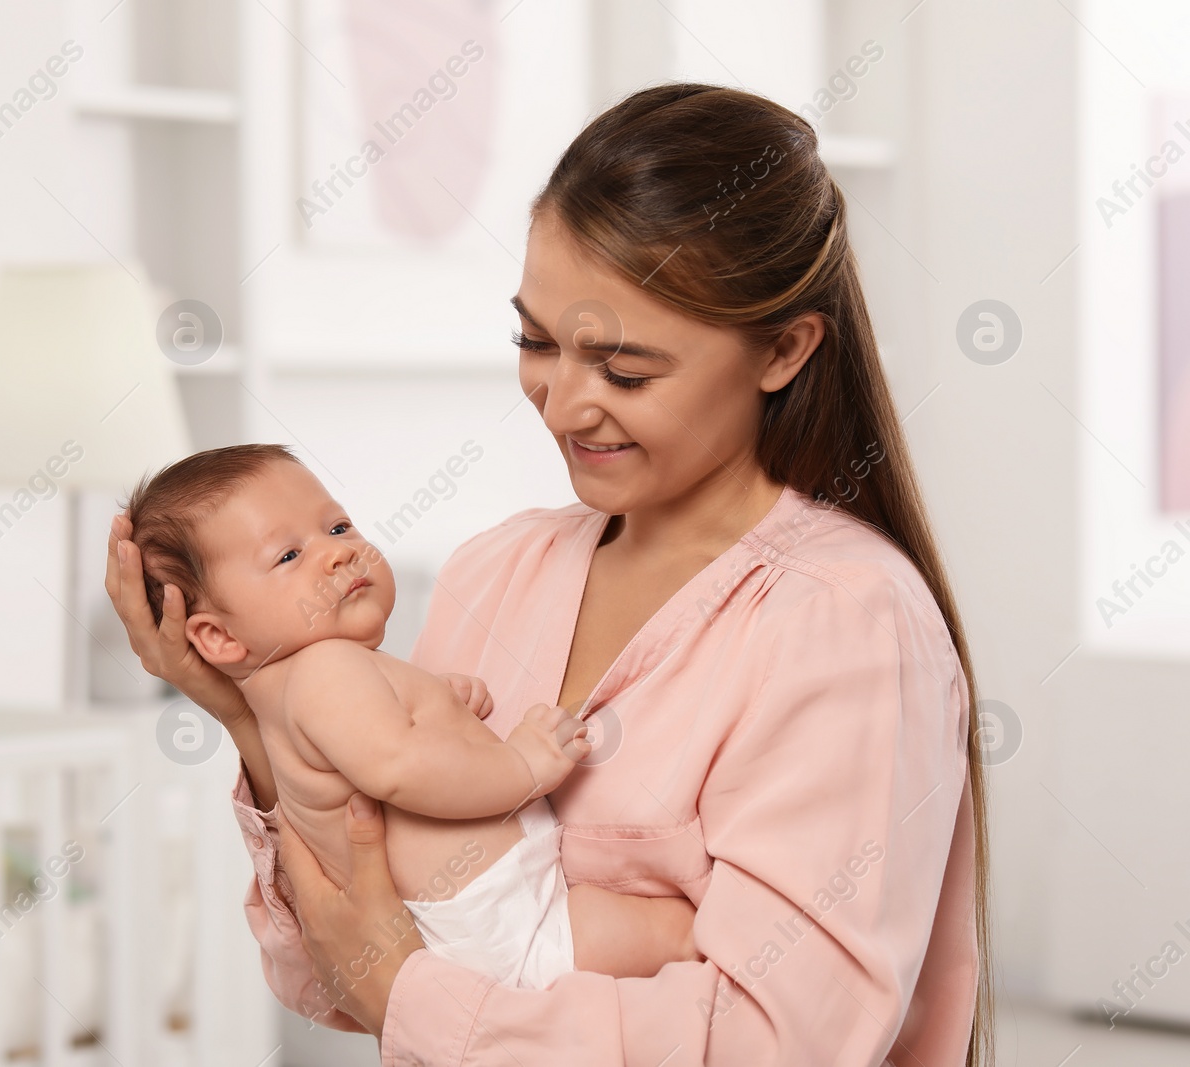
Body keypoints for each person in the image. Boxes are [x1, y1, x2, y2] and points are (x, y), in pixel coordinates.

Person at [106, 82, 991, 1066]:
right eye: (535, 342)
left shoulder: (842, 621)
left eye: (624, 370)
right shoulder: (498, 571)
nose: (563, 402)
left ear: (781, 349)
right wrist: (244, 707)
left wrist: (409, 988)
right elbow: (335, 976)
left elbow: (780, 1039)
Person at [121, 442, 702, 989]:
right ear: (218, 637)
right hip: (501, 916)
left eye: (338, 526)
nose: (339, 551)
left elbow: (379, 738)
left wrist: (439, 703)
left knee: (662, 940)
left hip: (477, 922)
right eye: (289, 555)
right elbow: (400, 768)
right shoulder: (323, 670)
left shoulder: (298, 686)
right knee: (684, 935)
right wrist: (526, 764)